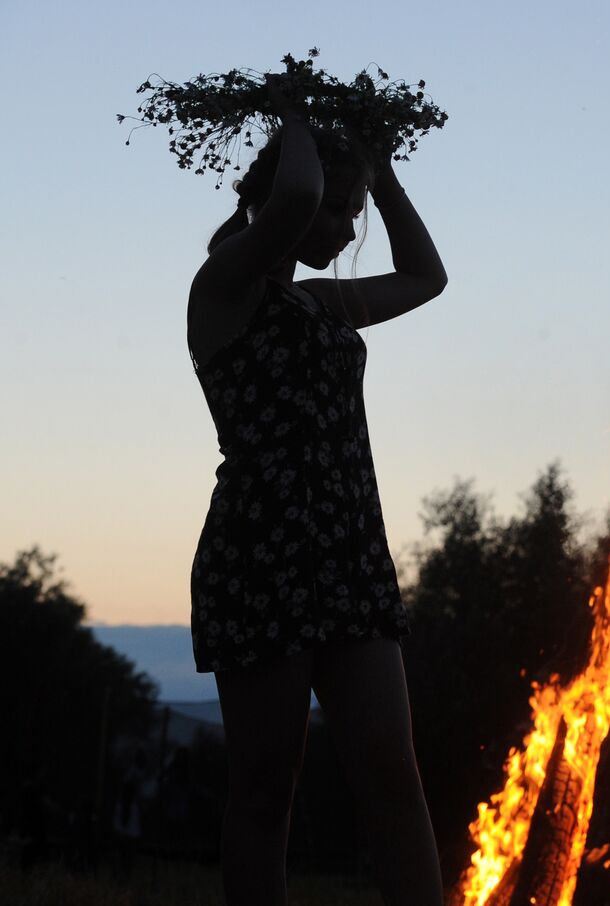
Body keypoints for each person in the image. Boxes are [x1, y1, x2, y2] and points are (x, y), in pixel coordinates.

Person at [186, 77, 448, 906]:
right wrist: (293, 109)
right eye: (330, 210)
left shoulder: (325, 303)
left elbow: (426, 275)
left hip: (349, 556)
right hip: (260, 556)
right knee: (268, 793)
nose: (337, 227)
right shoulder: (221, 292)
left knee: (394, 781)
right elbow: (295, 193)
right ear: (274, 203)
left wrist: (383, 170)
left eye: (350, 215)